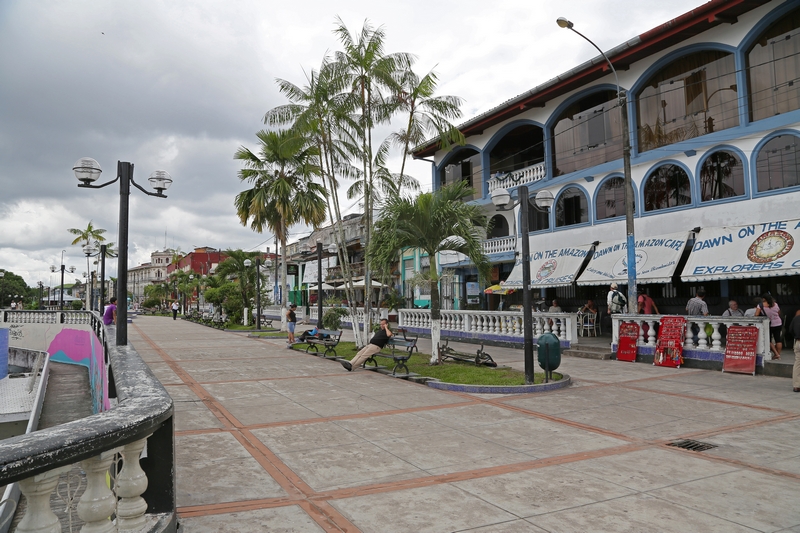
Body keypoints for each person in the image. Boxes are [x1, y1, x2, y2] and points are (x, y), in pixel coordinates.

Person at [762, 294, 782, 360]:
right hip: (778, 323)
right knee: (778, 339)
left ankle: (776, 354)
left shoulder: (763, 306)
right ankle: (778, 354)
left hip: (769, 324)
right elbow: (778, 312)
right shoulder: (775, 304)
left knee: (768, 340)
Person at [790, 310, 800, 392]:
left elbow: (790, 330)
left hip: (798, 342)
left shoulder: (796, 318)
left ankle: (797, 385)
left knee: (797, 363)